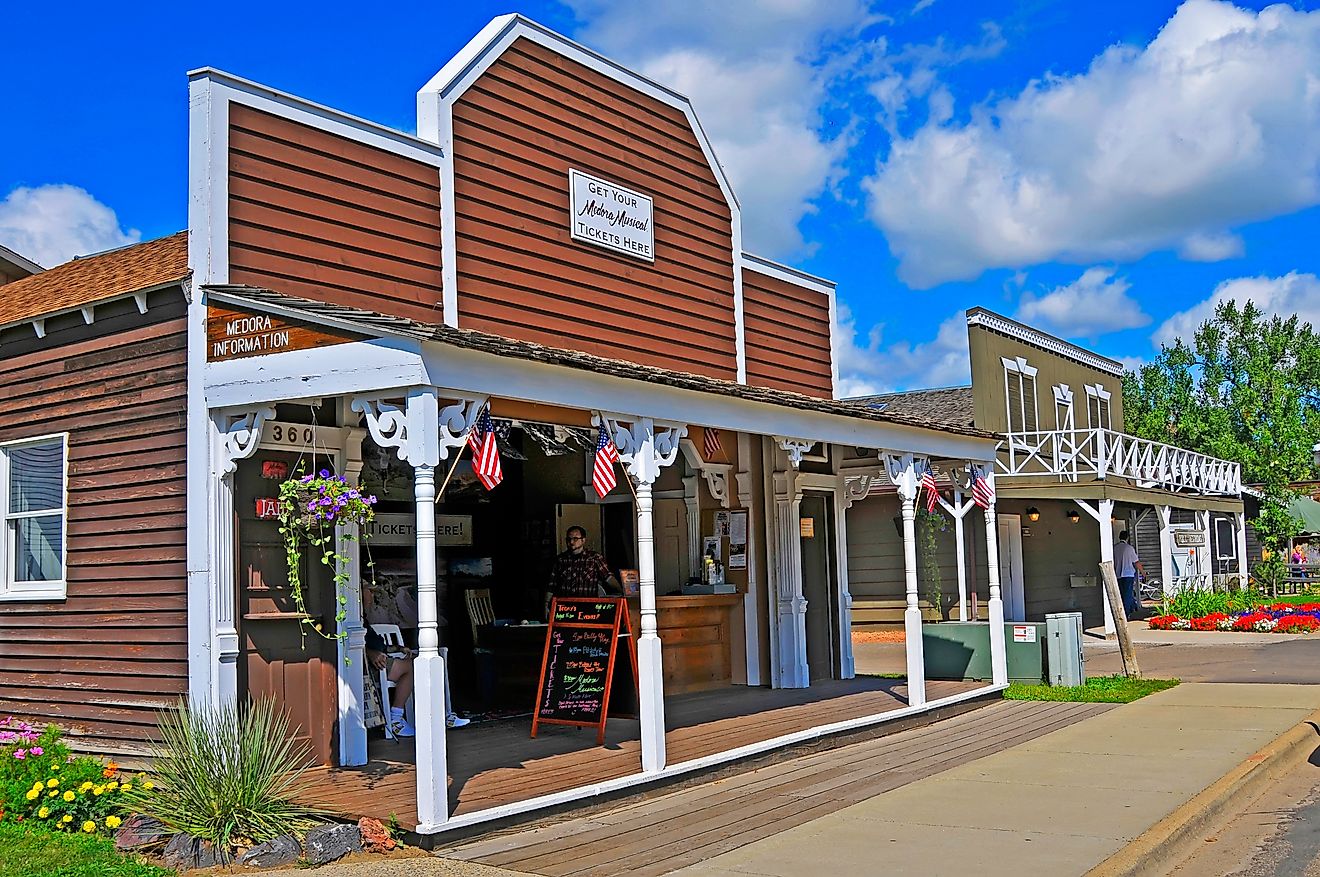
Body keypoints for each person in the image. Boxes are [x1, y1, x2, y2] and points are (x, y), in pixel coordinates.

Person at [364, 588, 469, 732]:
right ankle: (396, 719)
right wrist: (370, 652)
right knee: (415, 666)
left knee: (424, 664)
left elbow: (379, 645)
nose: (371, 596)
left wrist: (399, 648)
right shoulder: (355, 620)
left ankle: (442, 713)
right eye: (368, 594)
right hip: (374, 665)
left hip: (382, 657)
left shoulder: (363, 619)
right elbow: (359, 644)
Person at [546, 526, 621, 614]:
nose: (571, 542)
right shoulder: (560, 560)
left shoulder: (594, 558)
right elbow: (551, 585)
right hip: (566, 608)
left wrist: (622, 593)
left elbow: (608, 578)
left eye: (575, 539)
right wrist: (546, 605)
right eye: (569, 539)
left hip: (588, 607)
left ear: (583, 540)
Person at [1114, 530, 1145, 619]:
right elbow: (1136, 562)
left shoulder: (1115, 548)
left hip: (1118, 574)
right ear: (1127, 538)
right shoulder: (1129, 548)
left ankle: (1130, 608)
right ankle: (1126, 613)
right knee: (1128, 594)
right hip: (1128, 574)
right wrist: (1143, 572)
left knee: (1121, 594)